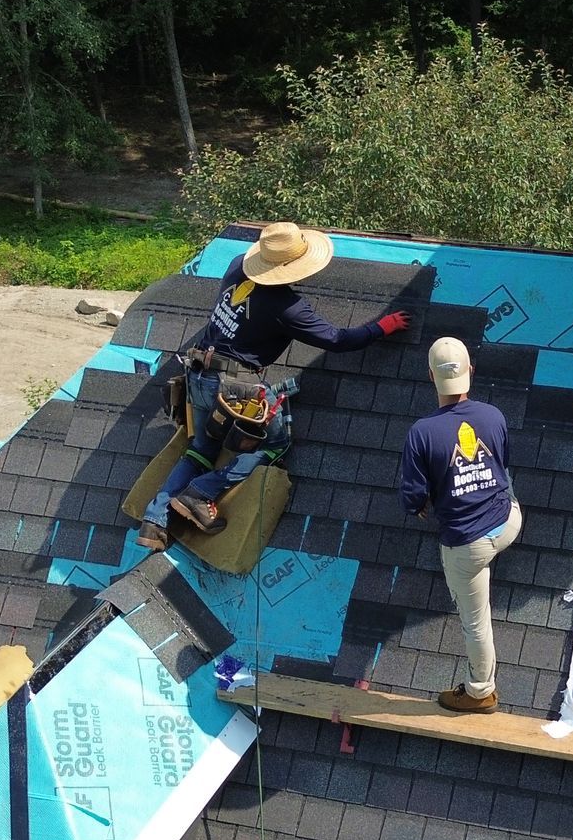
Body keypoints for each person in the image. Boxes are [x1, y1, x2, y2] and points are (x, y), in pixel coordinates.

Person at [137, 221, 412, 551]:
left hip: (198, 373)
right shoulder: (286, 307)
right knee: (274, 443)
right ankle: (200, 494)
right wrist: (382, 326)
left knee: (202, 448)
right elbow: (337, 340)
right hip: (235, 386)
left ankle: (155, 520)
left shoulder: (238, 265)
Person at [399, 337, 522, 714]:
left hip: (468, 546)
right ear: (471, 371)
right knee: (504, 480)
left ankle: (480, 691)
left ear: (431, 376)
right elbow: (499, 460)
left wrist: (421, 504)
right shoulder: (494, 415)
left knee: (475, 623)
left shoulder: (422, 433)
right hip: (509, 521)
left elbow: (413, 496)